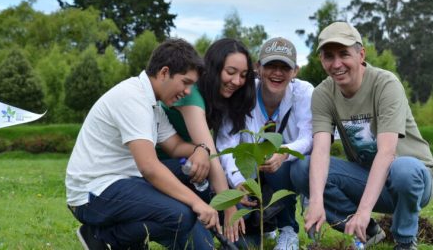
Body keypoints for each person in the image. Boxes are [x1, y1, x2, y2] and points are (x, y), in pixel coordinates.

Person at [65, 38, 221, 250]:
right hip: (92, 194)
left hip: (123, 181)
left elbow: (174, 147)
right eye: (185, 82)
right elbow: (149, 167)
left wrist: (201, 150)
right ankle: (106, 238)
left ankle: (138, 239)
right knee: (180, 215)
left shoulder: (153, 105)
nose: (187, 91)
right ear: (164, 73)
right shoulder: (132, 98)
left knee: (191, 169)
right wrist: (197, 203)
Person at [291, 22, 433, 250]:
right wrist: (316, 201)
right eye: (329, 56)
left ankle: (405, 242)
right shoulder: (323, 94)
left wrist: (363, 210)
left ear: (361, 54)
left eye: (344, 54)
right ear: (321, 60)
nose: (336, 64)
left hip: (412, 180)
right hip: (367, 178)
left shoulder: (385, 84)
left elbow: (387, 153)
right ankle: (367, 232)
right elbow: (320, 150)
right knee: (302, 168)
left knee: (403, 169)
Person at [217, 37, 314, 250]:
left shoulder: (304, 92)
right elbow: (226, 143)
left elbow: (308, 137)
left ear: (295, 71)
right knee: (244, 244)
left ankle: (288, 230)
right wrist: (237, 181)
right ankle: (264, 224)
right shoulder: (242, 93)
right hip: (247, 173)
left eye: (284, 67)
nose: (277, 73)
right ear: (258, 68)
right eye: (270, 65)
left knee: (284, 166)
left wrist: (284, 152)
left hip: (282, 170)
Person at [157, 38, 256, 242]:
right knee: (207, 239)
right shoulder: (191, 94)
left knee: (242, 221)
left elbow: (218, 150)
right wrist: (228, 206)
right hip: (164, 169)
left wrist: (235, 191)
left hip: (191, 167)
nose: (237, 81)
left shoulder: (220, 100)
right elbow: (211, 155)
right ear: (213, 67)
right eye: (230, 72)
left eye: (243, 76)